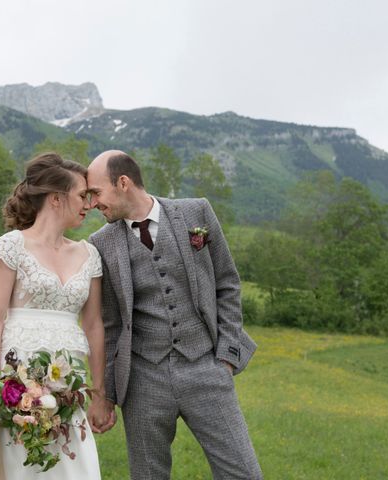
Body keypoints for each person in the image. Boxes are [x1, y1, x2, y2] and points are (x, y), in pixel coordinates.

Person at [87, 150, 263, 480]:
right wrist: (107, 395)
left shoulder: (196, 212)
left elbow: (227, 283)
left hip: (206, 368)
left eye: (96, 192)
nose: (93, 203)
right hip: (142, 379)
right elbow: (110, 325)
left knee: (244, 474)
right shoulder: (100, 243)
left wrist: (225, 358)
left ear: (123, 183)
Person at [0, 152, 114, 479]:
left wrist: (99, 394)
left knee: (69, 467)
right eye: (82, 195)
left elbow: (93, 325)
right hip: (12, 382)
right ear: (56, 199)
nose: (88, 204)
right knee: (17, 465)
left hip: (67, 384)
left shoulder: (89, 254)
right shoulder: (11, 246)